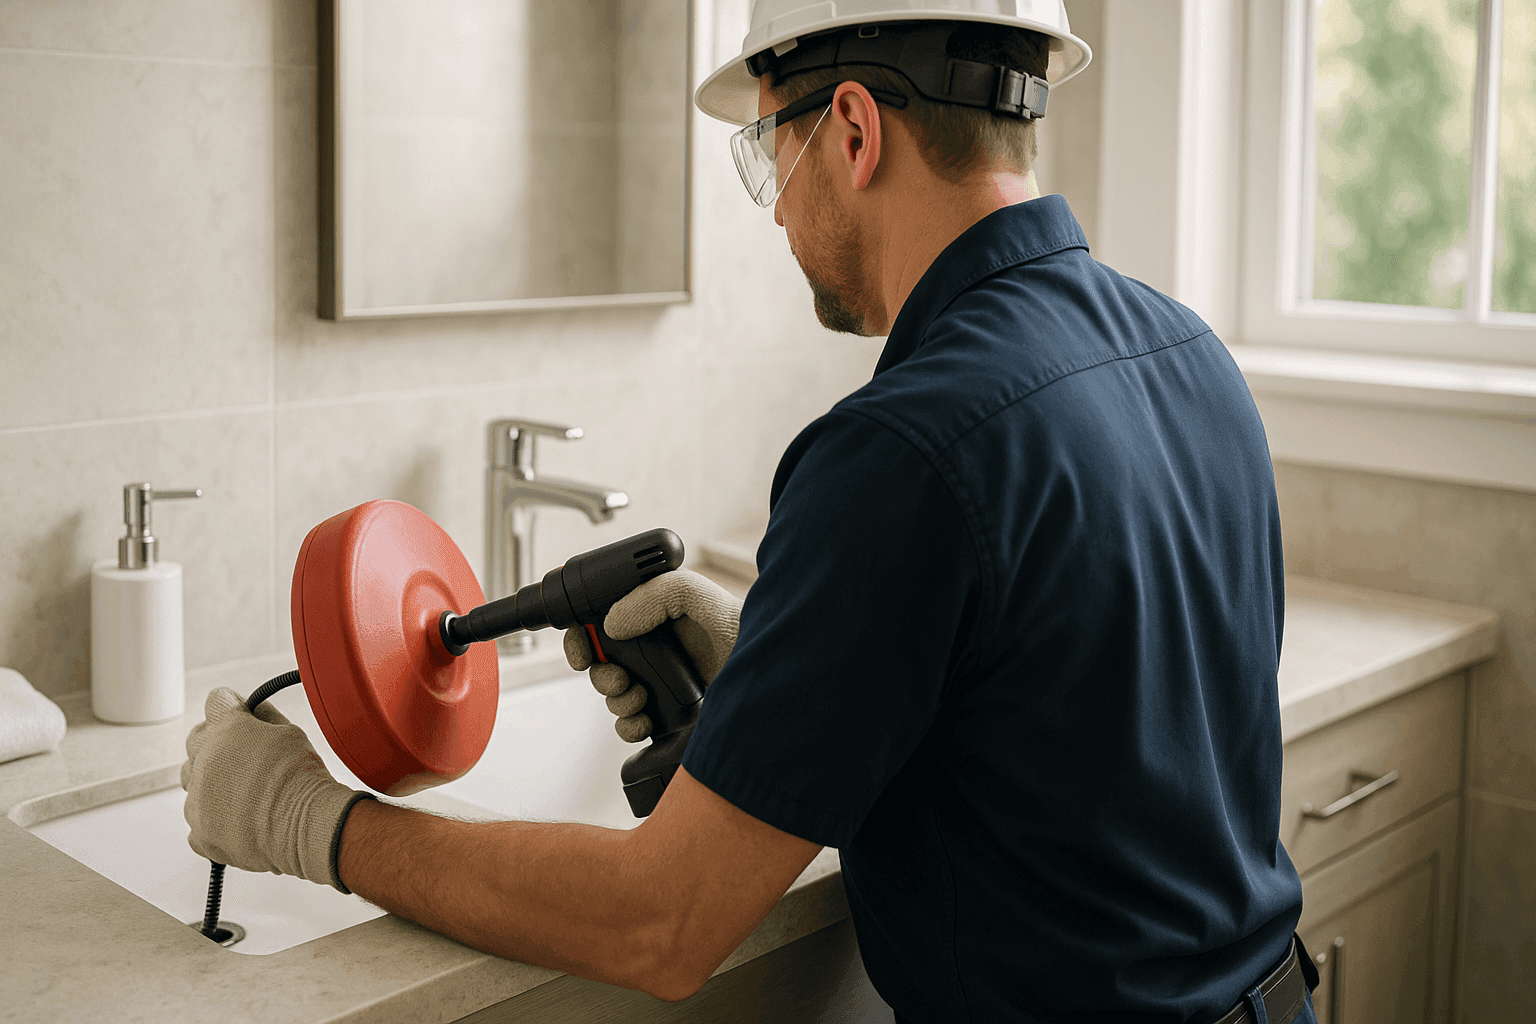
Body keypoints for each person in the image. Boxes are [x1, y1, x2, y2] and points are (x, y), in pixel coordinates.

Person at [182, 2, 1321, 1020]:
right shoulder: (1187, 351)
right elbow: (1088, 725)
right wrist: (805, 684)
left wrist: (304, 818)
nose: (775, 216)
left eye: (771, 153)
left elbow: (659, 924)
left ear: (857, 131)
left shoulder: (899, 448)